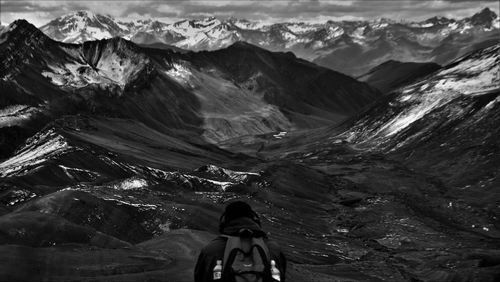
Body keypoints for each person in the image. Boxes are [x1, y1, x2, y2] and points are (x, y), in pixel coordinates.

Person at [194, 201, 286, 282]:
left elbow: (199, 277)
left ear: (224, 221)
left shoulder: (211, 249)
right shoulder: (273, 248)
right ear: (254, 220)